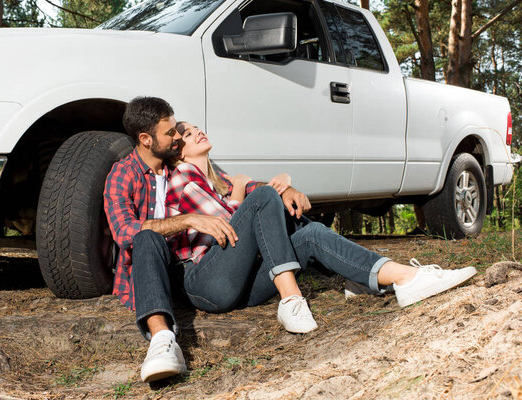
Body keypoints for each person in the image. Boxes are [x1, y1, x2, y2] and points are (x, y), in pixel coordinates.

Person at [165, 121, 478, 330]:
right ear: (178, 152)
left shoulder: (221, 181)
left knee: (311, 233)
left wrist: (285, 185)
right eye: (190, 134)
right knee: (262, 199)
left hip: (237, 283)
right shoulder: (182, 177)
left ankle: (402, 278)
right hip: (206, 283)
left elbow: (266, 192)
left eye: (198, 128)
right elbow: (229, 225)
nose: (199, 133)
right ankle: (290, 299)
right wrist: (245, 190)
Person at [103, 97, 294, 383]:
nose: (177, 136)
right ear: (145, 139)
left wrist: (283, 189)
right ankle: (162, 342)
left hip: (190, 268)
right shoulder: (123, 175)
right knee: (145, 237)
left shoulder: (177, 167)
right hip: (150, 268)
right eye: (170, 133)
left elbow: (229, 185)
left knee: (300, 232)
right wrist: (189, 219)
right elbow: (124, 233)